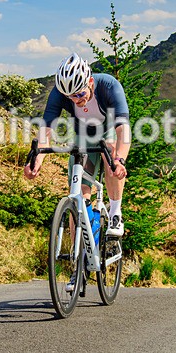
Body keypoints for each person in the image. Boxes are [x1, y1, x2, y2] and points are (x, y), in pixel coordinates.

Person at [25, 52, 130, 238]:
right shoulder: (59, 94)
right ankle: (77, 257)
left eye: (80, 94)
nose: (76, 101)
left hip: (108, 133)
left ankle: (115, 213)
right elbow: (46, 131)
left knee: (111, 158)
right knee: (78, 196)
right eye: (70, 97)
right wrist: (37, 160)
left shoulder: (109, 85)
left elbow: (123, 129)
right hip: (83, 137)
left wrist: (120, 159)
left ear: (90, 82)